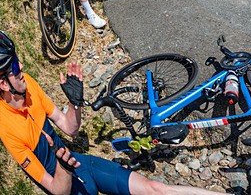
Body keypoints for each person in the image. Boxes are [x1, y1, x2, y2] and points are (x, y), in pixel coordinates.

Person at [0, 31, 220, 195]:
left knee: (156, 188)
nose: (22, 71)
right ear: (3, 83)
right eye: (16, 69)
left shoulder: (28, 84)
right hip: (63, 180)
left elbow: (70, 128)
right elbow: (57, 190)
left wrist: (74, 104)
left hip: (78, 163)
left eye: (19, 63)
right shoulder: (6, 128)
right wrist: (64, 168)